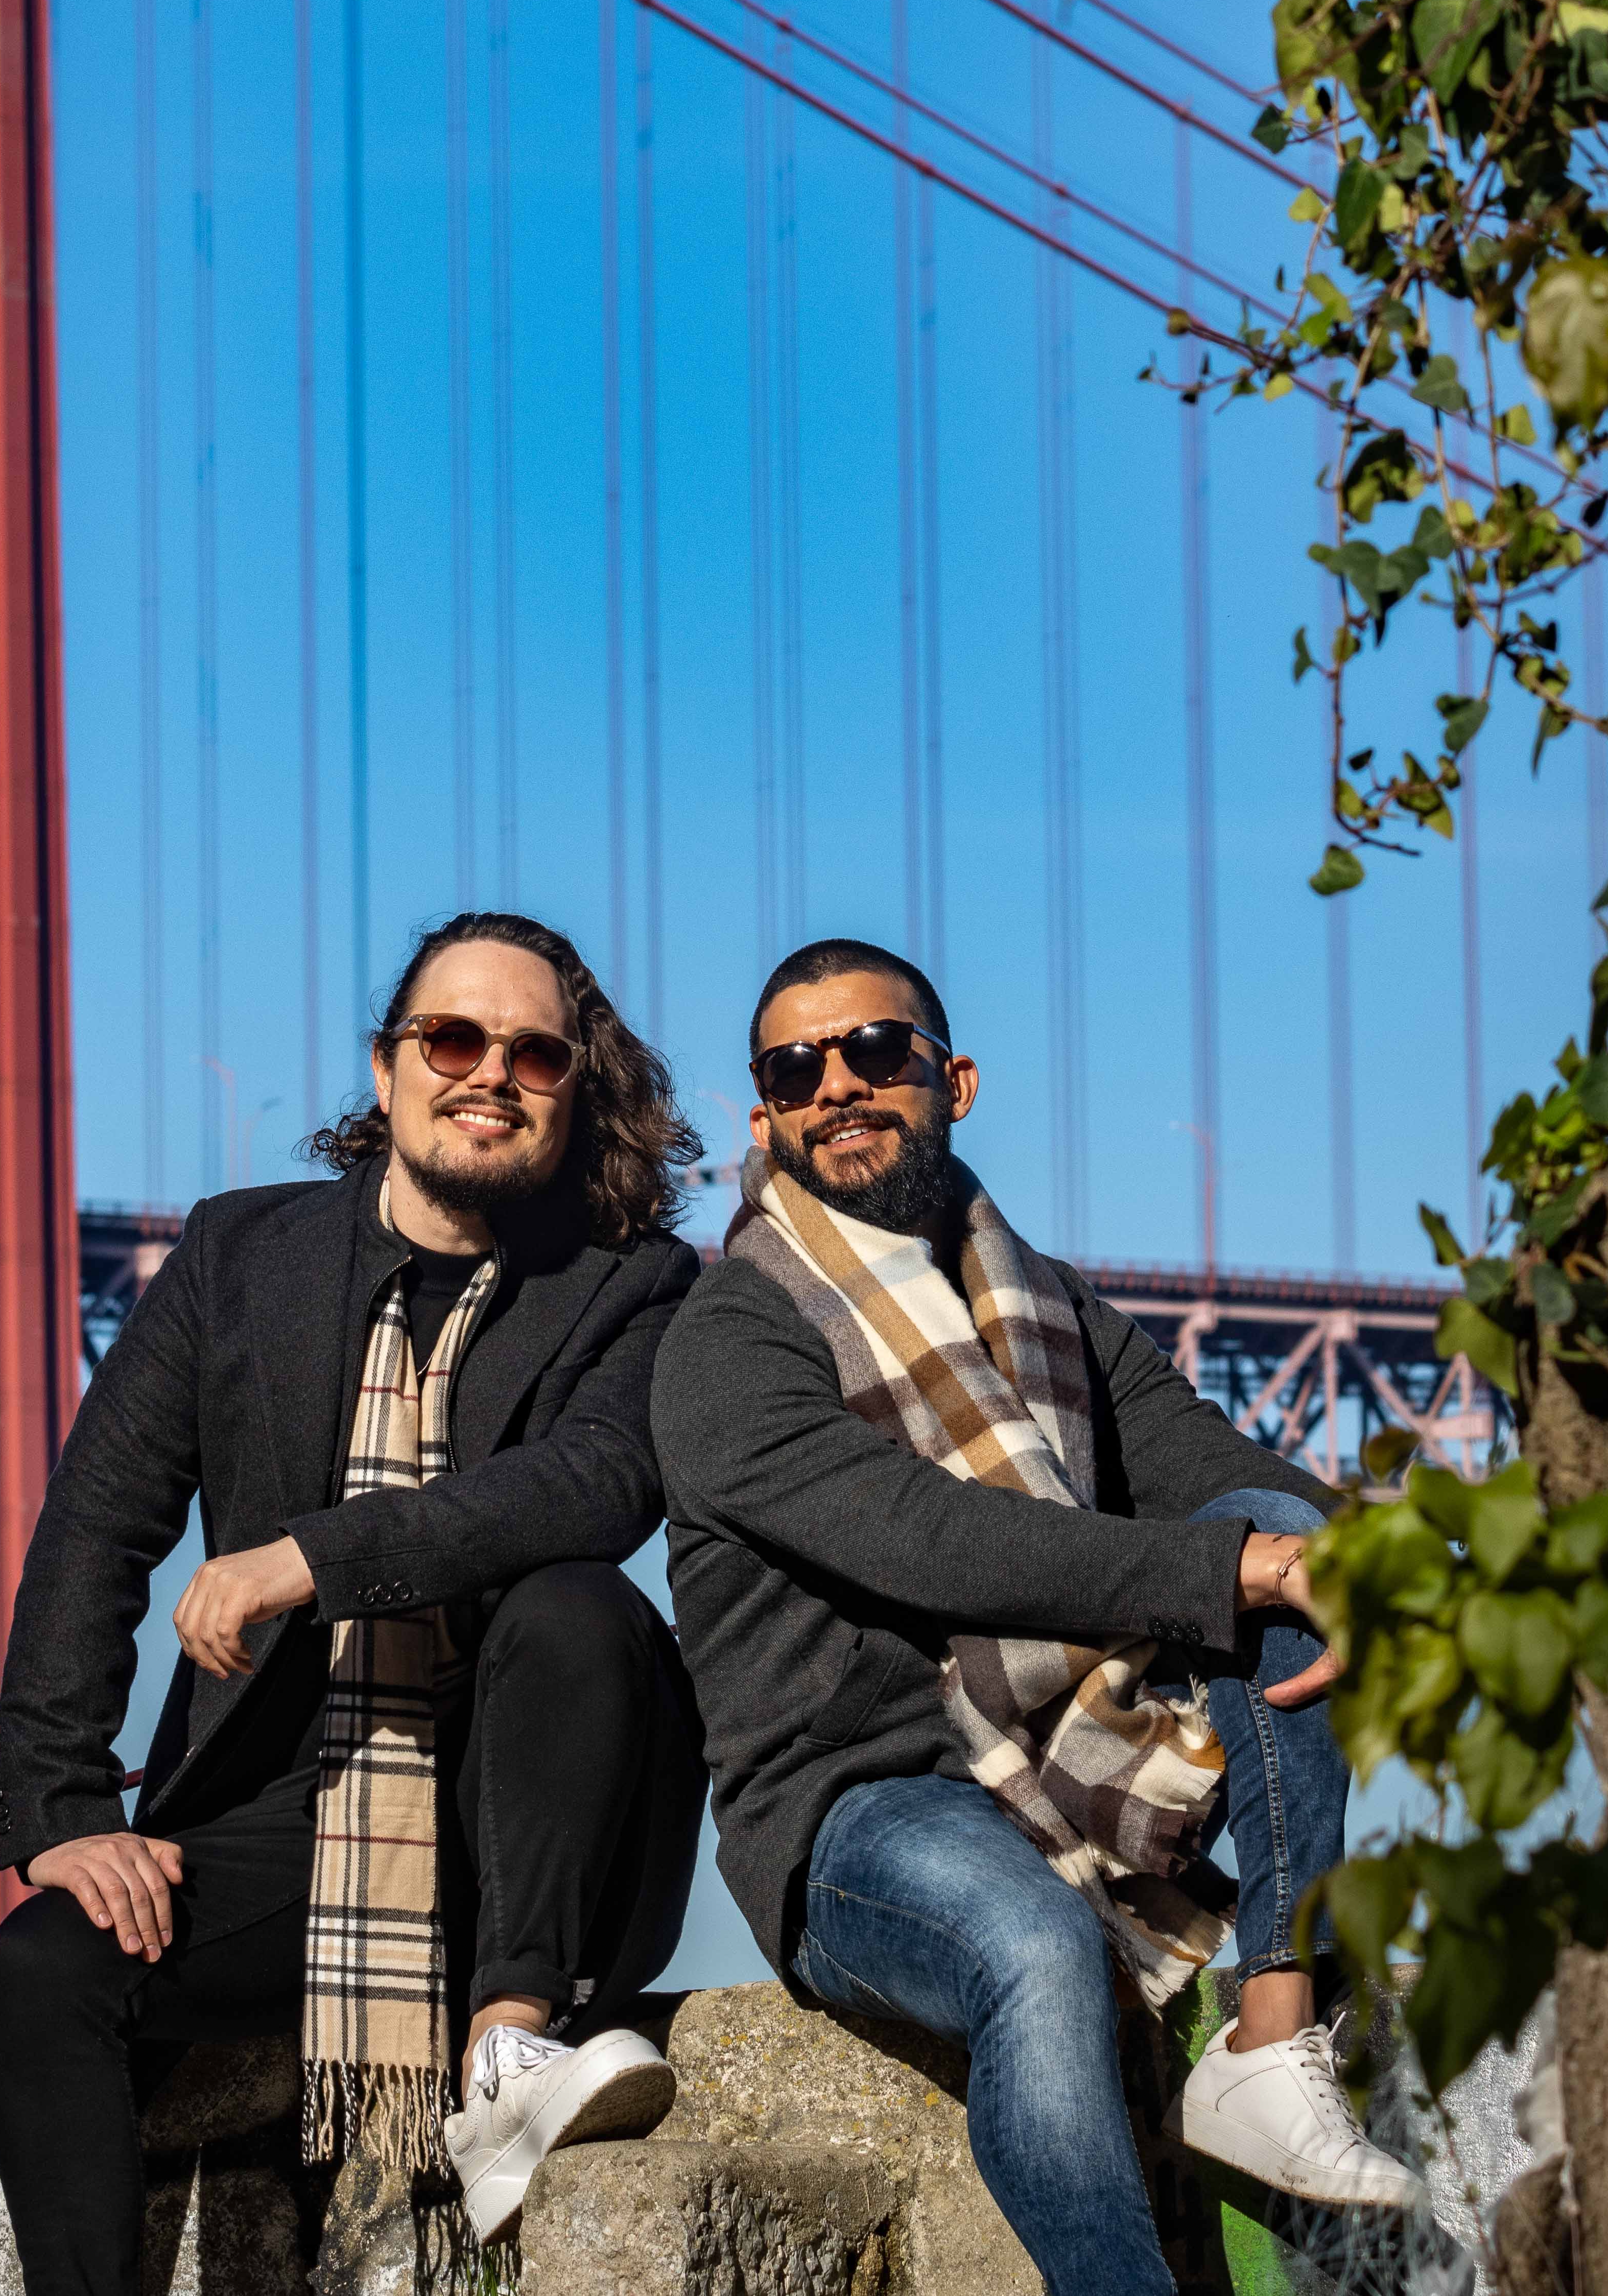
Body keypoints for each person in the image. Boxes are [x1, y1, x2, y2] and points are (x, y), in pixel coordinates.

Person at [651, 934, 1421, 2296]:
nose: (836, 1086)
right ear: (764, 1119)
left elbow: (1204, 1461)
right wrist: (1242, 1572)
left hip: (1067, 1771)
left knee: (1284, 1527)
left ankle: (1271, 2029)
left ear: (952, 1081)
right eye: (793, 1071)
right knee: (1033, 1941)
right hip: (856, 1804)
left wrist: (1406, 1565)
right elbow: (927, 1540)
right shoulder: (730, 1335)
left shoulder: (1046, 1302)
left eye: (872, 1051)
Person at [0, 910, 708, 2290]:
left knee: (572, 1599)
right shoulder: (238, 1257)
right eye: (452, 1038)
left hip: (536, 1839)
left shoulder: (638, 1286)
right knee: (47, 1965)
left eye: (534, 1054)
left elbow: (598, 1484)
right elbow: (97, 1527)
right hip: (288, 1820)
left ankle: (511, 2046)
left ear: (573, 1090)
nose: (488, 1075)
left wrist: (312, 1557)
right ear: (386, 1069)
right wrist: (60, 1808)